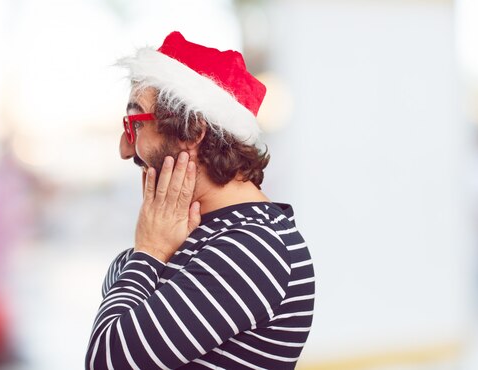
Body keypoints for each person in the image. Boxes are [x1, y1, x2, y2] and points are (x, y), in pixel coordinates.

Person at [86, 31, 315, 369]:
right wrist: (147, 255)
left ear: (193, 131)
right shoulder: (199, 233)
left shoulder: (254, 246)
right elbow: (119, 280)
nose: (124, 148)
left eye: (135, 123)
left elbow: (108, 360)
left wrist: (149, 252)